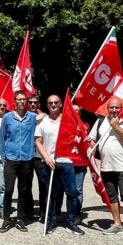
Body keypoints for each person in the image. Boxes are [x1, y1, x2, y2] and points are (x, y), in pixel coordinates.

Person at [35, 95, 86, 235]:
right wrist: (46, 158)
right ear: (47, 105)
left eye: (56, 102)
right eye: (50, 103)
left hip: (67, 161)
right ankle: (51, 221)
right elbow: (38, 141)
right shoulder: (42, 122)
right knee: (51, 194)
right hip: (49, 162)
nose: (53, 105)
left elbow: (79, 135)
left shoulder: (68, 120)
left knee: (72, 192)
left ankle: (71, 221)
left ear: (61, 103)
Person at [88, 98, 123, 240]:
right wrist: (92, 148)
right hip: (106, 167)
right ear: (107, 108)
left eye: (117, 108)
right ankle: (117, 224)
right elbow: (92, 138)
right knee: (112, 197)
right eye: (111, 108)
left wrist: (116, 127)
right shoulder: (100, 122)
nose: (114, 110)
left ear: (121, 108)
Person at [0, 91, 37, 233]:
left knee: (23, 190)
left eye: (24, 99)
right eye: (19, 99)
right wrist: (3, 158)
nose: (22, 102)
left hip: (26, 158)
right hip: (11, 158)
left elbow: (45, 118)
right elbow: (2, 138)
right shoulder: (7, 117)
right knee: (8, 189)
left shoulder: (32, 117)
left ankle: (20, 218)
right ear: (14, 101)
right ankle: (7, 219)